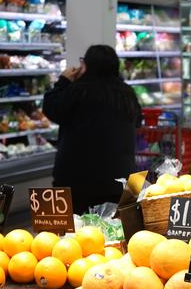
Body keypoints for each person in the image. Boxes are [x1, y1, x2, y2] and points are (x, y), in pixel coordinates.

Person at [42, 44, 141, 213]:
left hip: (77, 181)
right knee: (112, 228)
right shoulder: (126, 93)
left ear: (87, 65)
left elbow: (51, 108)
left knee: (74, 228)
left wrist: (63, 81)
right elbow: (137, 121)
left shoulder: (78, 91)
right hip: (119, 182)